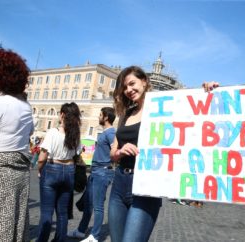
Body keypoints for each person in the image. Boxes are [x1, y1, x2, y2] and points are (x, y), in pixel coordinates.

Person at [108, 66, 162, 242]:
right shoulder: (126, 114)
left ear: (144, 81)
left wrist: (208, 91)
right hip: (119, 184)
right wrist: (120, 152)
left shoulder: (163, 109)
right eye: (125, 87)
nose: (128, 90)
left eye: (132, 84)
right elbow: (112, 154)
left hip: (145, 186)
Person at [0, 48, 34, 241]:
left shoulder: (0, 103)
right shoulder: (26, 108)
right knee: (16, 221)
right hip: (20, 170)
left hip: (1, 169)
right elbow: (29, 133)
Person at [68, 107, 116, 242]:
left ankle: (95, 236)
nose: (98, 117)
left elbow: (115, 151)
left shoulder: (111, 132)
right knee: (88, 204)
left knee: (98, 206)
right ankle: (81, 231)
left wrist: (108, 163)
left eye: (100, 115)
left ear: (106, 117)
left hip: (102, 172)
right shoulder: (105, 132)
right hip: (95, 171)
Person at [36, 102, 82, 242]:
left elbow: (42, 158)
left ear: (62, 114)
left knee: (46, 212)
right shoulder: (76, 134)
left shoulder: (53, 132)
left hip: (51, 168)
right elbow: (77, 155)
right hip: (69, 171)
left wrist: (39, 170)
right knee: (62, 213)